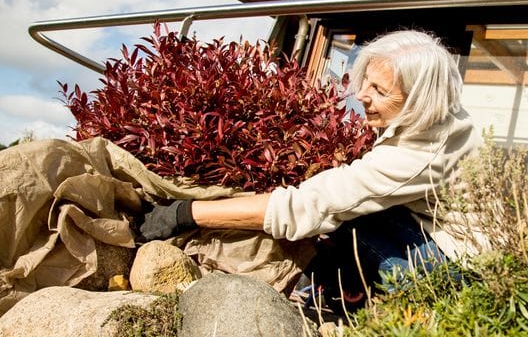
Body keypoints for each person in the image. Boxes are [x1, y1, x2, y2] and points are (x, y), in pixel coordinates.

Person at [140, 29, 484, 309]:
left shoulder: (421, 152)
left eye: (379, 90)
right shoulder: (440, 115)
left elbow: (307, 204)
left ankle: (383, 296)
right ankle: (346, 284)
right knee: (349, 208)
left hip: (457, 274)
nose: (361, 95)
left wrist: (185, 213)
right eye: (365, 80)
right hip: (438, 234)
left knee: (338, 216)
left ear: (417, 101)